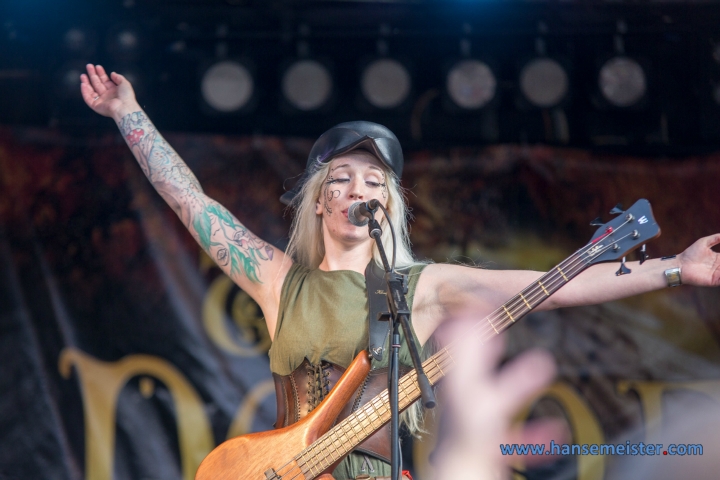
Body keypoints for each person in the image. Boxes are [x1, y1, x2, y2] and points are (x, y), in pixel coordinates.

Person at [80, 64, 720, 479]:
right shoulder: (278, 279)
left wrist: (672, 269)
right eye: (343, 178)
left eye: (375, 180)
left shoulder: (424, 287)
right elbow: (192, 204)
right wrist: (127, 114)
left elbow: (547, 287)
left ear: (389, 201)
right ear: (321, 199)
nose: (361, 188)